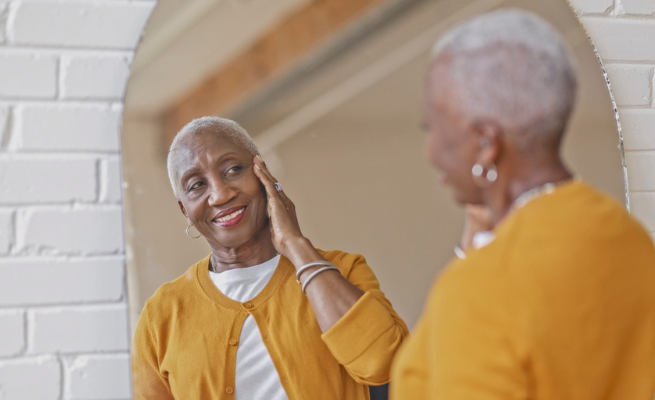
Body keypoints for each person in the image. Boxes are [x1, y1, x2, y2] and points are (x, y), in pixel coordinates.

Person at [390, 9, 655, 400]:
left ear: (485, 143)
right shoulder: (626, 236)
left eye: (433, 129)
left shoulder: (480, 292)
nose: (429, 152)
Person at [132, 116, 408, 400]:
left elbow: (387, 366)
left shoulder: (343, 271)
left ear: (261, 171)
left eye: (232, 169)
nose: (220, 194)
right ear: (184, 210)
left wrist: (295, 244)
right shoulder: (161, 316)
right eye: (196, 185)